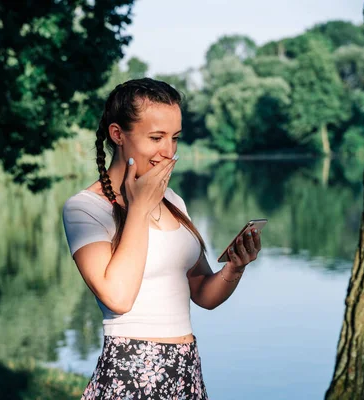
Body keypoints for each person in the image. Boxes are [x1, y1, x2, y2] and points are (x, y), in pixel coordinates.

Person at [62, 78, 262, 399]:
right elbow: (119, 298)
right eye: (156, 138)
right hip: (132, 370)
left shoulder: (174, 201)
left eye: (175, 138)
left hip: (186, 369)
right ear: (118, 135)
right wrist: (139, 207)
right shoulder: (85, 209)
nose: (168, 152)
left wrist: (235, 268)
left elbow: (203, 294)